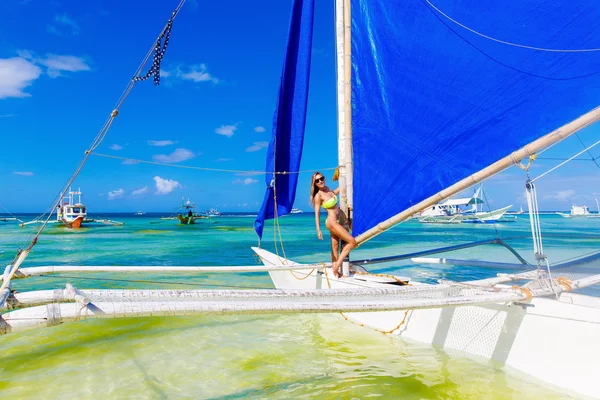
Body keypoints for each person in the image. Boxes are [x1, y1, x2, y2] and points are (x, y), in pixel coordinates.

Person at [310, 171, 357, 278]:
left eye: (321, 178)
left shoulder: (327, 189)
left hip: (338, 221)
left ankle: (336, 274)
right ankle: (337, 266)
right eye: (317, 180)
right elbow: (316, 214)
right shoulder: (318, 196)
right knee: (352, 242)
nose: (320, 181)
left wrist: (347, 182)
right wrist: (318, 230)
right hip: (331, 222)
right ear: (314, 183)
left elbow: (334, 193)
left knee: (335, 247)